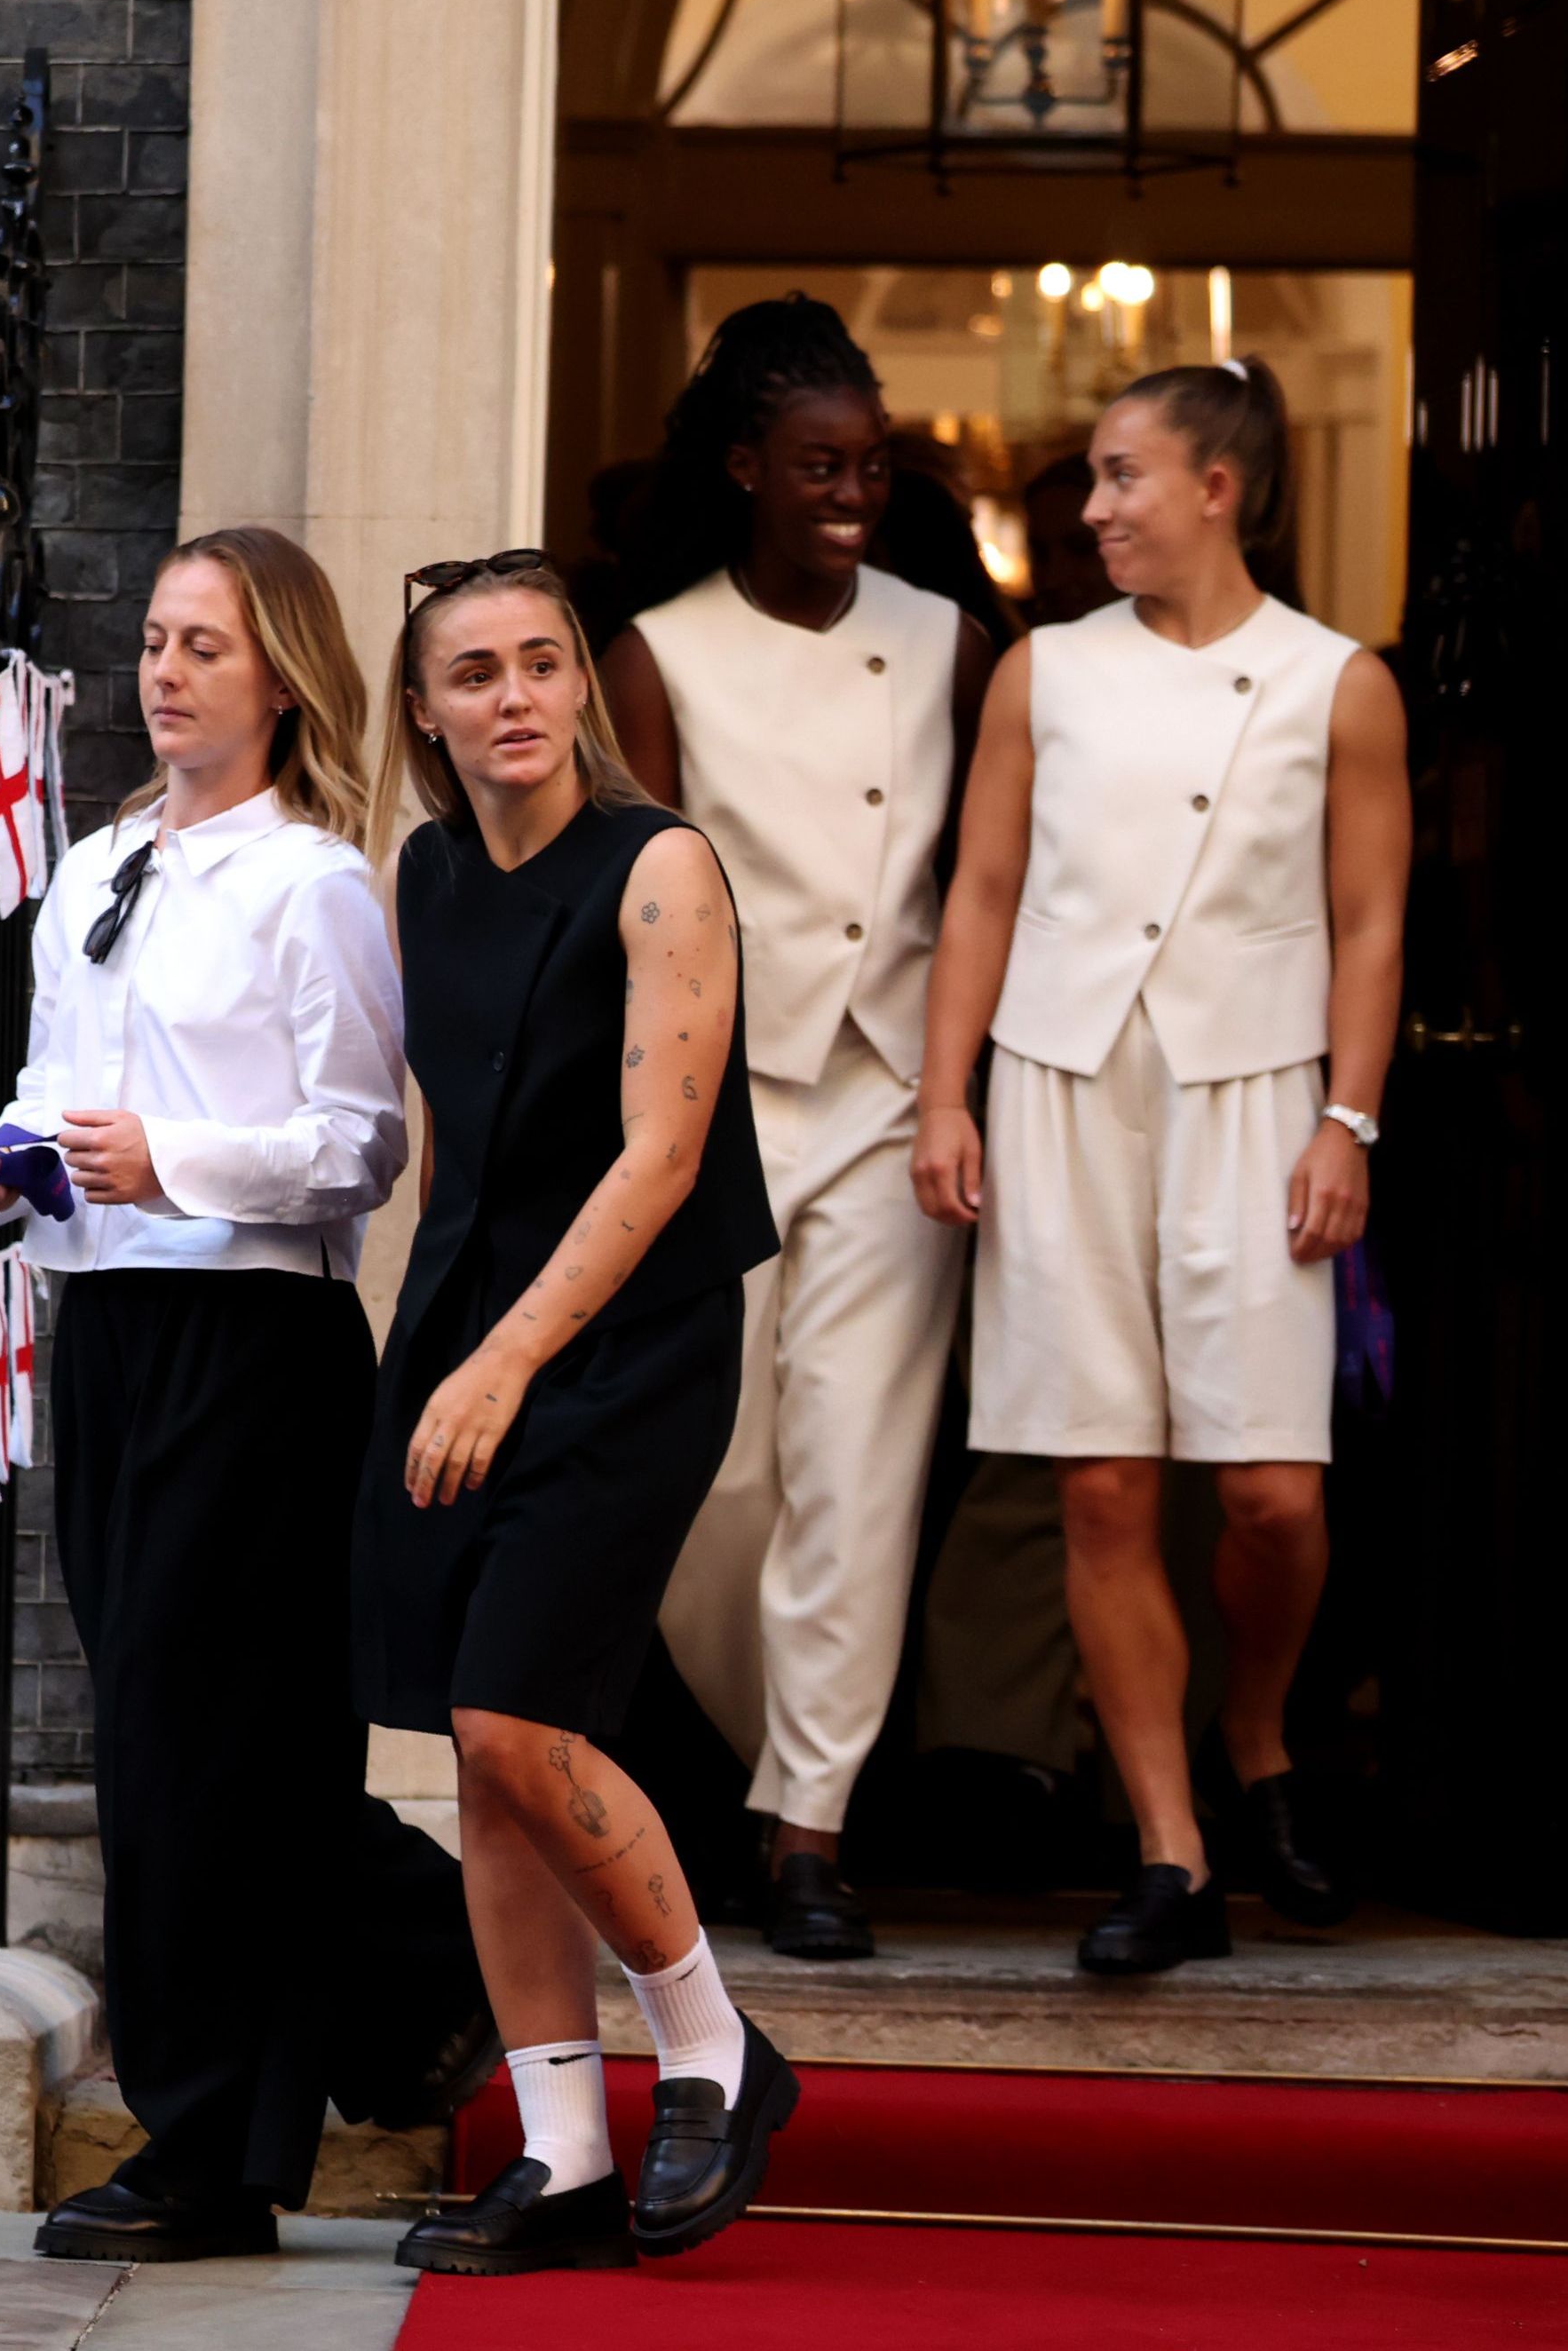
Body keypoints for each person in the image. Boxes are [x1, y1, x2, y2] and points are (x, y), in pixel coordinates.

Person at [0, 528, 490, 2264]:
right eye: (159, 638)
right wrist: (6, 1167)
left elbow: (362, 1146)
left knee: (196, 1750)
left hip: (251, 1344)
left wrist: (163, 1155)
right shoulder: (100, 862)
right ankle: (423, 1964)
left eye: (208, 646)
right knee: (176, 1744)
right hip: (101, 1331)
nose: (167, 670)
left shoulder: (315, 883)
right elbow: (58, 1097)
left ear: (281, 679)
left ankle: (209, 2144)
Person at [913, 360, 1406, 1975]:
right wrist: (946, 1095)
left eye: (1124, 477)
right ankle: (1171, 1847)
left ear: (1219, 487)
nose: (1095, 509)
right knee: (1104, 1479)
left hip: (1259, 1097)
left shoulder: (1339, 683)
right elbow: (979, 891)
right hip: (1062, 1086)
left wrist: (1350, 1118)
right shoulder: (1042, 672)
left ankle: (1257, 1731)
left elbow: (1369, 921)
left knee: (1269, 1490)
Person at [356, 552, 791, 2277]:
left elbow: (662, 1158)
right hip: (471, 1324)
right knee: (478, 1748)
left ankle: (713, 2044)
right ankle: (560, 2152)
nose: (516, 696)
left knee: (523, 1714)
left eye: (543, 663)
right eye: (477, 672)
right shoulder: (430, 872)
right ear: (425, 709)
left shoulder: (663, 865)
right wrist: (436, 1341)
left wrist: (504, 1360)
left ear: (581, 692)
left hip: (633, 1337)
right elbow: (459, 1141)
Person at [601, 297, 996, 1961]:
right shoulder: (661, 647)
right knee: (723, 1477)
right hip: (722, 1111)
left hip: (895, 1100)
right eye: (821, 465)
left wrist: (964, 1090)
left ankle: (810, 1825)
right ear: (750, 468)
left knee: (864, 1470)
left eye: (874, 464)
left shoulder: (949, 635)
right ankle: (769, 1754)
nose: (853, 490)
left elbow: (988, 881)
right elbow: (625, 907)